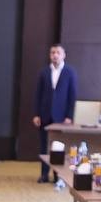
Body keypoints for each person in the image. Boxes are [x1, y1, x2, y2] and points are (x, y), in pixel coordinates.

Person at [32, 43, 77, 182]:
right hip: (45, 114)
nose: (55, 55)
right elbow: (38, 94)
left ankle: (58, 176)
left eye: (58, 52)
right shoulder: (44, 72)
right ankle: (44, 174)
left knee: (59, 147)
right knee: (44, 146)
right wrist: (36, 114)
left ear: (63, 55)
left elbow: (72, 96)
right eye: (52, 53)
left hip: (61, 117)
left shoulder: (70, 72)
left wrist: (69, 116)